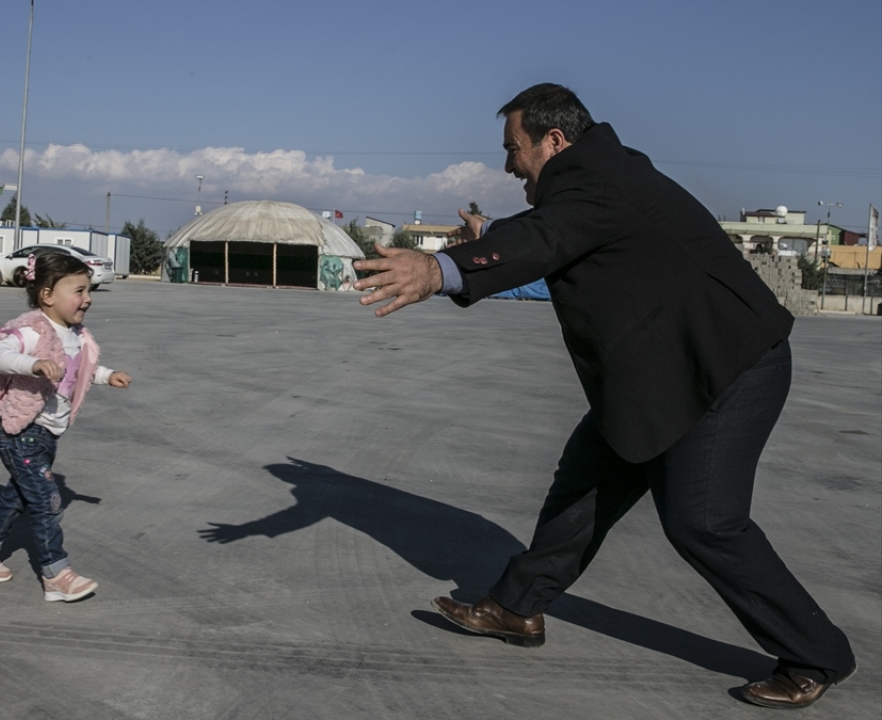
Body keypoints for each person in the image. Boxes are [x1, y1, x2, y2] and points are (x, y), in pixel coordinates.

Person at [352, 83, 855, 710]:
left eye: (514, 149)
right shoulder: (598, 182)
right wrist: (490, 240)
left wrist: (439, 268)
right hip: (657, 375)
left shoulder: (595, 179)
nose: (509, 164)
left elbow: (546, 237)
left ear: (554, 141)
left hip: (723, 369)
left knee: (703, 522)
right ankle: (517, 608)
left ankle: (817, 655)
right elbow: (553, 241)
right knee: (582, 486)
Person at [0, 251, 131, 603]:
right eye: (79, 291)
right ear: (47, 295)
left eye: (89, 291)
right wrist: (33, 365)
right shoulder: (32, 330)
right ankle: (56, 574)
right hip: (21, 433)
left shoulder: (75, 334)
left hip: (47, 434)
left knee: (19, 495)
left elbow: (78, 370)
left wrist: (107, 375)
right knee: (48, 501)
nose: (88, 299)